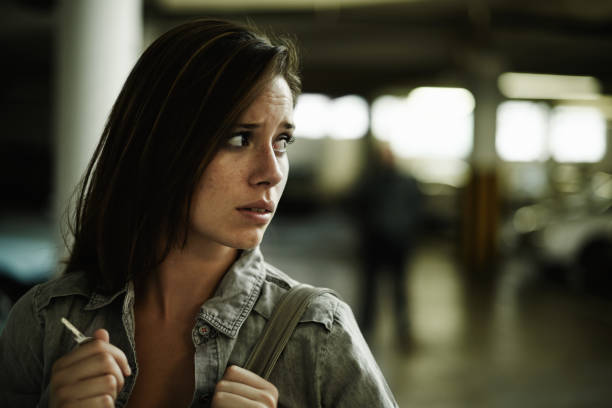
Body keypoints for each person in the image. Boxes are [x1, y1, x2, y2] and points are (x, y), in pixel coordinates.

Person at [0, 19, 397, 407]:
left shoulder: (318, 335)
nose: (272, 173)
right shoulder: (45, 322)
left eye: (282, 141)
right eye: (240, 138)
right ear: (159, 146)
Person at [351, 142, 423, 348]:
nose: (387, 159)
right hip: (374, 244)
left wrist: (407, 231)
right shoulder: (369, 181)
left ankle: (403, 333)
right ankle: (365, 332)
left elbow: (416, 208)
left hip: (398, 244)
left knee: (399, 290)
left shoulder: (406, 182)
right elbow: (356, 206)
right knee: (369, 291)